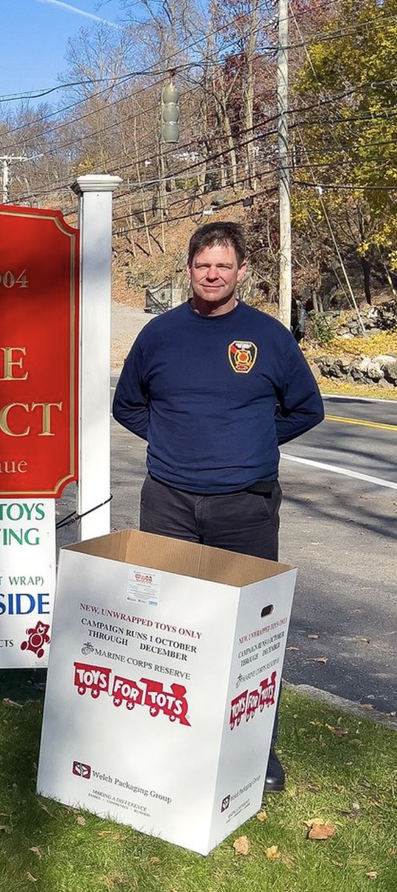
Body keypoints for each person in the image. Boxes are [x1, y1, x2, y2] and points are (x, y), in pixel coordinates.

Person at [112, 220, 324, 793]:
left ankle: (255, 750)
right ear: (189, 269)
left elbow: (307, 409)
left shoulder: (268, 337)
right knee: (167, 625)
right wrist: (172, 440)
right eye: (203, 265)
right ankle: (168, 742)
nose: (212, 274)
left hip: (245, 508)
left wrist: (250, 443)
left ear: (241, 272)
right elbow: (127, 404)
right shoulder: (159, 335)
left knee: (251, 631)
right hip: (169, 502)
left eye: (223, 266)